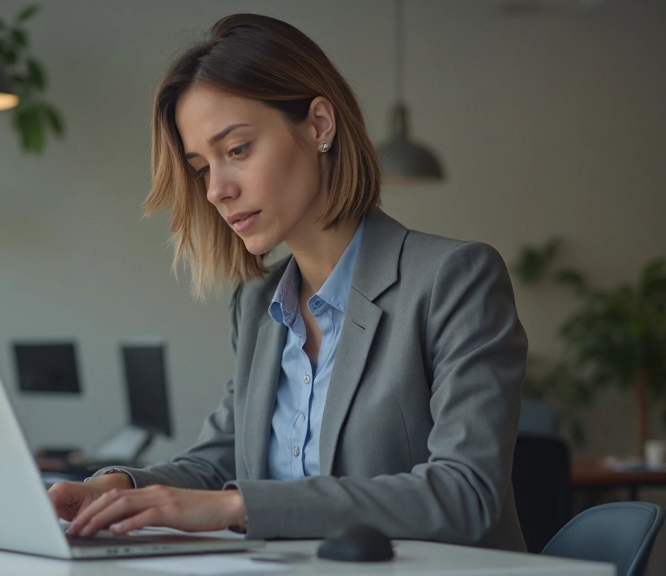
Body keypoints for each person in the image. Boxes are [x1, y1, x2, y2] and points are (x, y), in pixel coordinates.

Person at [48, 13, 528, 551]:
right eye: (202, 167)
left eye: (236, 150)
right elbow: (223, 460)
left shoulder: (453, 279)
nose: (216, 191)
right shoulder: (257, 306)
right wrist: (117, 488)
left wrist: (238, 507)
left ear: (319, 125)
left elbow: (467, 493)